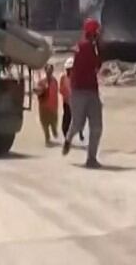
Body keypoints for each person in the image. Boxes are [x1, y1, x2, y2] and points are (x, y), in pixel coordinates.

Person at [62, 18, 103, 168]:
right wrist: (98, 46)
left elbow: (97, 65)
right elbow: (97, 64)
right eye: (97, 32)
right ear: (93, 32)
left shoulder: (90, 46)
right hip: (80, 90)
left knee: (96, 125)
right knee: (79, 123)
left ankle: (91, 158)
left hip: (91, 90)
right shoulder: (85, 47)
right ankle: (68, 139)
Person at [60, 56, 85, 143]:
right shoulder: (63, 77)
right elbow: (61, 89)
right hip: (67, 102)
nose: (71, 71)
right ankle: (66, 136)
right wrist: (66, 97)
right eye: (69, 69)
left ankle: (80, 132)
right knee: (66, 120)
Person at [35, 62, 59, 147]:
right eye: (48, 71)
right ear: (45, 71)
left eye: (50, 71)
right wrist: (39, 90)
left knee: (53, 122)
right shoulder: (41, 82)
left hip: (52, 106)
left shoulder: (55, 81)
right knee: (44, 124)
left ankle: (54, 130)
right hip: (43, 106)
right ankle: (47, 138)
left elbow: (56, 94)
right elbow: (37, 91)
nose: (49, 72)